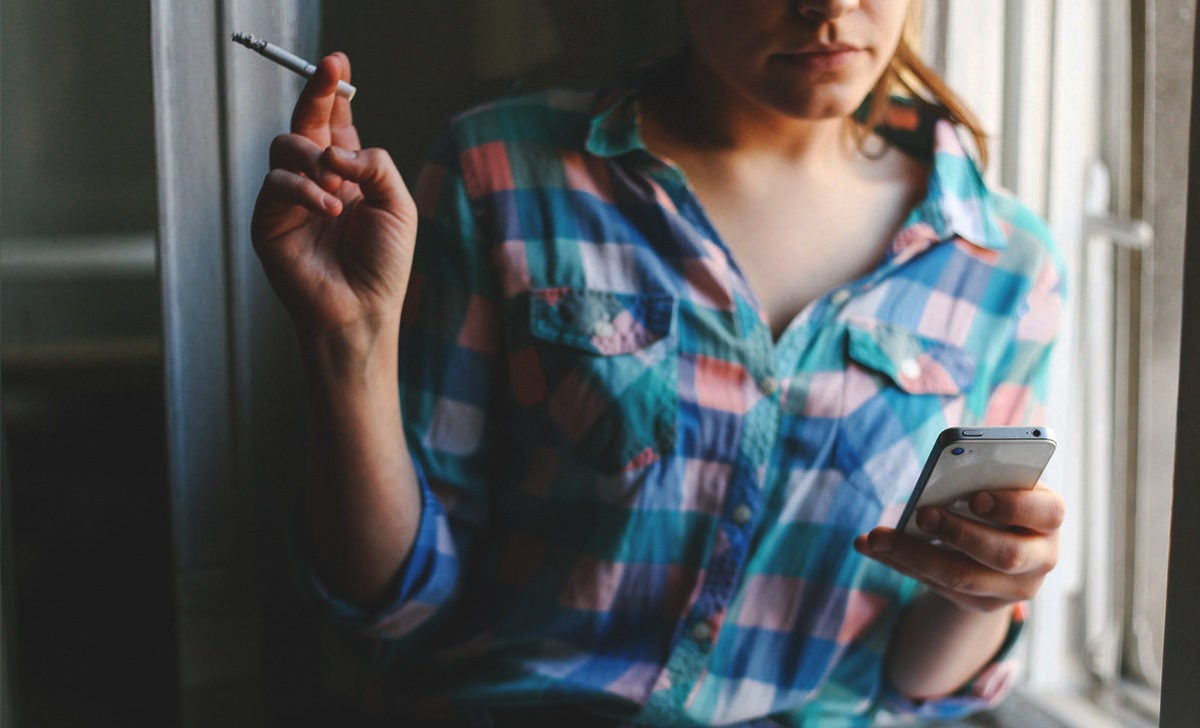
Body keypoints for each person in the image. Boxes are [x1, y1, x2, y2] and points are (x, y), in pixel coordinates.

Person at [251, 1, 1066, 725]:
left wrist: (986, 588)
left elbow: (910, 687)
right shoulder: (500, 174)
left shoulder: (1002, 265)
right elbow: (397, 607)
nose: (830, 7)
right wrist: (348, 342)